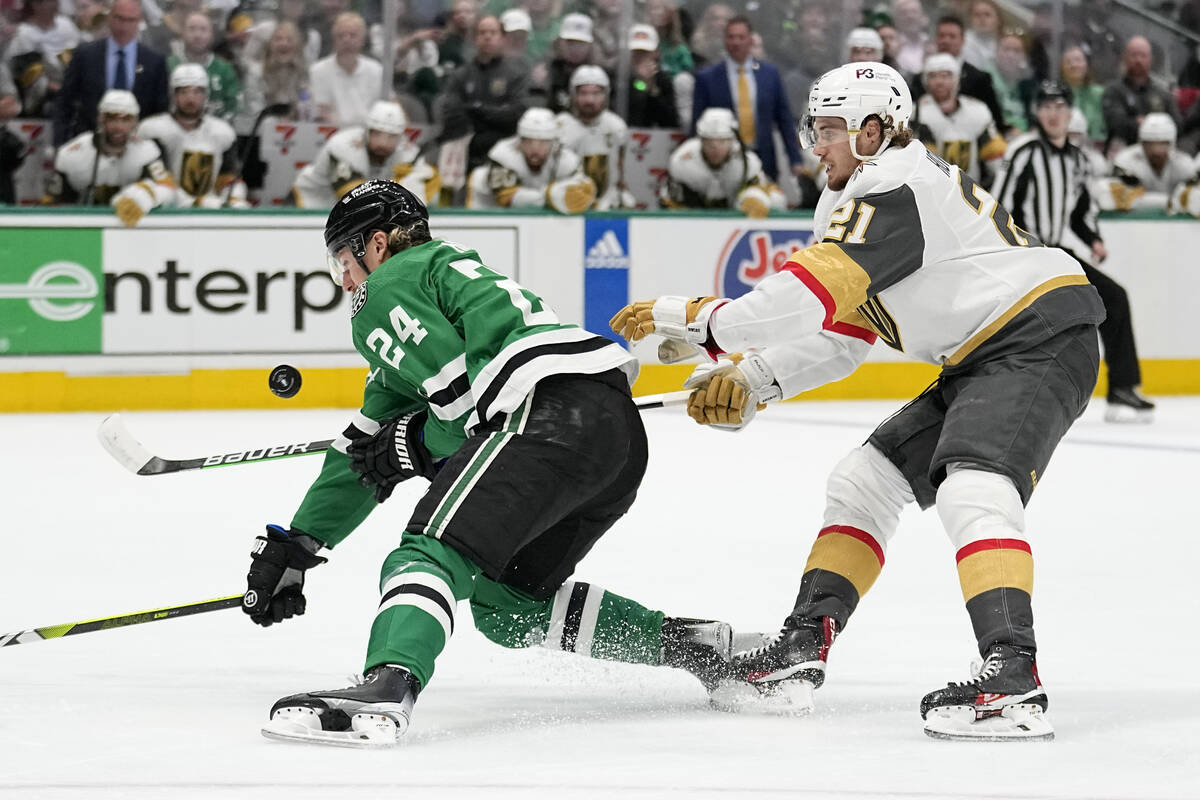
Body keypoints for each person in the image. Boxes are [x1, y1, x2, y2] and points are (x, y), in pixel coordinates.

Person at [611, 61, 1105, 742]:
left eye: (832, 128)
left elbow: (802, 299)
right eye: (816, 127)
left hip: (1036, 337)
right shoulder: (863, 195)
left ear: (876, 130)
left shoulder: (894, 182)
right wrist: (753, 380)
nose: (819, 143)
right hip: (990, 351)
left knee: (973, 486)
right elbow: (842, 338)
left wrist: (700, 321)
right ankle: (801, 648)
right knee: (861, 482)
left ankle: (1012, 676)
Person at [245, 178, 739, 747]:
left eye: (343, 262)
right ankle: (697, 647)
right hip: (614, 434)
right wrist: (301, 543)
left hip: (543, 415)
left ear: (376, 245)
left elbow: (457, 415)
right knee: (508, 605)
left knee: (430, 551)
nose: (345, 282)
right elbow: (367, 446)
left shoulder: (385, 291)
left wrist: (410, 445)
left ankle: (387, 684)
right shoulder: (439, 279)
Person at [994, 81, 1154, 423]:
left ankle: (1123, 389)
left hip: (1056, 252)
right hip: (1025, 255)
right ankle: (1009, 395)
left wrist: (1094, 239)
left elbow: (1081, 210)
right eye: (1047, 106)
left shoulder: (1078, 160)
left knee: (1114, 298)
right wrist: (1015, 256)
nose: (1053, 114)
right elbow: (1001, 209)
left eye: (1060, 107)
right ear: (1037, 112)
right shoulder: (1023, 152)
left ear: (1070, 114)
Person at [691, 15, 804, 184]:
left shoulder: (769, 74)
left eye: (741, 37)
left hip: (764, 158)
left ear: (750, 40)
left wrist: (795, 160)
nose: (736, 42)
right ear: (724, 40)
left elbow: (784, 120)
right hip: (723, 161)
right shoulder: (707, 78)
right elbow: (697, 123)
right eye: (731, 37)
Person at [45, 89, 175, 223]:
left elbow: (168, 190)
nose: (118, 127)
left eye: (125, 120)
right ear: (101, 120)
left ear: (135, 123)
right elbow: (52, 205)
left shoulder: (147, 153)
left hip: (130, 229)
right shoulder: (72, 154)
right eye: (112, 118)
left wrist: (148, 194)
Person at [52, 0, 170, 145]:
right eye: (119, 18)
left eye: (130, 20)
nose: (124, 26)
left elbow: (160, 111)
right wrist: (61, 143)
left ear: (139, 21)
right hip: (90, 142)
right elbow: (65, 102)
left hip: (138, 144)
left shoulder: (154, 61)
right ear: (109, 17)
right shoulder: (85, 55)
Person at [290, 100, 440, 208]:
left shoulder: (408, 154)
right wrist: (399, 191)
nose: (383, 143)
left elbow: (424, 195)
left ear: (400, 137)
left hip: (345, 215)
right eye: (378, 134)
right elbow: (356, 198)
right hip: (310, 202)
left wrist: (419, 186)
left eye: (391, 137)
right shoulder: (342, 147)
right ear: (367, 132)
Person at [138, 62, 245, 208]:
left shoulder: (222, 132)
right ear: (174, 95)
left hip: (210, 210)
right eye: (184, 92)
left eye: (197, 92)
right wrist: (194, 202)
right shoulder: (153, 130)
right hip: (166, 211)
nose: (190, 99)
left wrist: (234, 197)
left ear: (206, 95)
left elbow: (228, 177)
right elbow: (159, 180)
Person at [440, 15, 529, 172]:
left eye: (493, 33)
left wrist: (476, 109)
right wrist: (492, 113)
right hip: (468, 145)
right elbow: (451, 113)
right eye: (482, 32)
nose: (487, 37)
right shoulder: (461, 74)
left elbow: (515, 114)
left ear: (502, 38)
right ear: (475, 38)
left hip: (505, 146)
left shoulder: (516, 74)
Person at [659, 106, 784, 217]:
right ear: (701, 140)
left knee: (775, 199)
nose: (716, 148)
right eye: (709, 142)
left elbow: (765, 188)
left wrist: (755, 197)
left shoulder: (747, 162)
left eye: (722, 141)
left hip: (735, 215)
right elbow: (670, 200)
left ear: (732, 140)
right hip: (694, 215)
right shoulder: (682, 160)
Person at [466, 106, 595, 213]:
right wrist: (549, 195)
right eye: (528, 141)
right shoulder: (502, 154)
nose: (535, 149)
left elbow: (584, 193)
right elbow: (506, 198)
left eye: (542, 143)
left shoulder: (567, 160)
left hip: (542, 223)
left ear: (554, 144)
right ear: (519, 140)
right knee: (479, 176)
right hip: (491, 214)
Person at [912, 53, 1006, 186]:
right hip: (932, 190)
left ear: (956, 79)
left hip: (972, 191)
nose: (939, 82)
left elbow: (996, 157)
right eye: (933, 76)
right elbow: (925, 163)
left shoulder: (978, 110)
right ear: (925, 81)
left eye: (945, 75)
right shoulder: (916, 113)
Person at [910, 14, 1005, 135]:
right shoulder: (919, 78)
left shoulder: (979, 78)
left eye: (952, 36)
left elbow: (995, 119)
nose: (946, 40)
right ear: (935, 39)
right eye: (942, 36)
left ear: (963, 40)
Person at [554, 65, 632, 211]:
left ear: (606, 95)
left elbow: (620, 167)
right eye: (583, 93)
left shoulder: (616, 126)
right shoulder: (558, 127)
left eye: (596, 94)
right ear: (573, 95)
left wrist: (622, 192)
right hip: (567, 205)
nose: (589, 100)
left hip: (606, 205)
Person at [1096, 113, 1198, 212]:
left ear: (1172, 144)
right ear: (1142, 143)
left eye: (1162, 144)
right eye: (1150, 144)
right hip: (1132, 222)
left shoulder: (1184, 164)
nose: (1156, 151)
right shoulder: (1126, 161)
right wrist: (1172, 201)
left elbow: (1195, 200)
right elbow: (1115, 199)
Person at [1100, 36, 1179, 154]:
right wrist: (1157, 125)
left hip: (1158, 156)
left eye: (1143, 55)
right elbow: (1117, 125)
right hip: (1123, 154)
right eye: (1134, 55)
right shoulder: (1113, 90)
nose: (1138, 60)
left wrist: (1142, 121)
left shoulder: (1162, 93)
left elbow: (1177, 125)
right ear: (1125, 57)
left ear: (1151, 59)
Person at [309, 11, 384, 127]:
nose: (346, 40)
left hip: (372, 135)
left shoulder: (377, 70)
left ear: (362, 40)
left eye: (353, 35)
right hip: (332, 134)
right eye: (341, 36)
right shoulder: (318, 70)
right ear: (334, 40)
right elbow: (322, 112)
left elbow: (387, 108)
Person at [167, 12, 242, 123]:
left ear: (211, 36)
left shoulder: (225, 69)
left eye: (203, 29)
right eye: (192, 29)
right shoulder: (167, 65)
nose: (197, 35)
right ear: (182, 33)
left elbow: (234, 106)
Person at [626, 22, 678, 128]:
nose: (640, 57)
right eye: (636, 52)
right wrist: (640, 83)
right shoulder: (620, 79)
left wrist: (652, 89)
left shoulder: (663, 80)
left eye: (645, 52)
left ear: (656, 52)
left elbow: (670, 121)